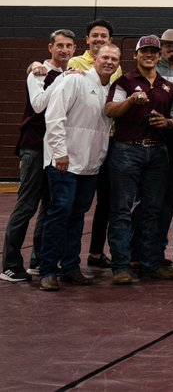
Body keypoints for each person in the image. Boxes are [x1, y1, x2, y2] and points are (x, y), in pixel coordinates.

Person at [37, 43, 120, 291]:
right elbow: (54, 116)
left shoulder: (111, 91)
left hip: (90, 166)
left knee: (77, 217)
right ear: (95, 58)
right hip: (65, 162)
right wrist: (59, 152)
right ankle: (48, 270)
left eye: (114, 59)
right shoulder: (75, 80)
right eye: (105, 56)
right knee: (59, 214)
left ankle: (71, 267)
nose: (109, 62)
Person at [103, 35, 173, 284]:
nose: (149, 55)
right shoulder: (124, 81)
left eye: (153, 52)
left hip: (158, 151)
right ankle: (121, 267)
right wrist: (130, 101)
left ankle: (150, 263)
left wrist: (167, 122)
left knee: (153, 210)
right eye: (144, 51)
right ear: (136, 55)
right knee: (122, 210)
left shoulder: (168, 87)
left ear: (159, 57)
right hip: (127, 150)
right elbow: (109, 110)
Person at [2, 28, 74, 283]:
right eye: (60, 45)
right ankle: (10, 264)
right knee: (27, 205)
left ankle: (38, 260)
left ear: (74, 50)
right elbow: (38, 105)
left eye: (68, 46)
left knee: (49, 206)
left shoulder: (69, 73)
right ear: (50, 48)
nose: (64, 50)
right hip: (34, 147)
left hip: (54, 148)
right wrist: (59, 78)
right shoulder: (39, 73)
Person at [67, 18, 120, 270]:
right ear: (87, 39)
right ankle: (50, 259)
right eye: (95, 35)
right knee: (67, 206)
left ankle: (96, 253)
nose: (100, 39)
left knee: (105, 200)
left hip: (106, 141)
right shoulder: (75, 66)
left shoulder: (116, 68)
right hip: (77, 145)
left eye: (104, 36)